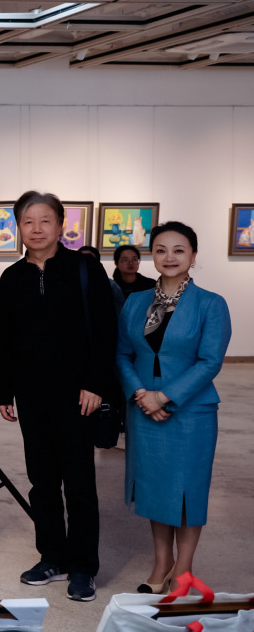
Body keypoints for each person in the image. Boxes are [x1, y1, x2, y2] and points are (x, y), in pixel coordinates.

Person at [0, 190, 118, 603]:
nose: (37, 229)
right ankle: (51, 556)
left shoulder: (84, 268)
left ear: (61, 226)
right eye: (28, 221)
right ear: (18, 227)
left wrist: (96, 384)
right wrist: (4, 390)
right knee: (41, 481)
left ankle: (83, 566)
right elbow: (5, 339)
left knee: (79, 482)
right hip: (31, 397)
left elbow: (105, 331)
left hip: (78, 396)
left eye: (45, 220)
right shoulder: (12, 277)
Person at [116, 222, 230, 594]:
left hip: (191, 411)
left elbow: (210, 361)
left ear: (193, 256)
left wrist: (163, 397)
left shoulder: (210, 303)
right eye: (161, 250)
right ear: (152, 255)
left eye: (179, 250)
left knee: (188, 490)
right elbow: (122, 354)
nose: (169, 257)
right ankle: (161, 562)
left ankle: (184, 570)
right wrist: (140, 393)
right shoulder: (135, 302)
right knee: (154, 488)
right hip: (142, 409)